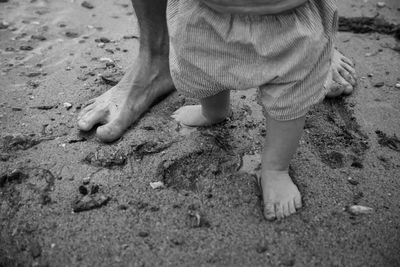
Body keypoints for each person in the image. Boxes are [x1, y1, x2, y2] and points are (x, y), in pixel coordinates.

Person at [77, 0, 356, 220]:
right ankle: (214, 111)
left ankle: (275, 168)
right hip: (204, 14)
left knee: (291, 99)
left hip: (292, 20)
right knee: (204, 71)